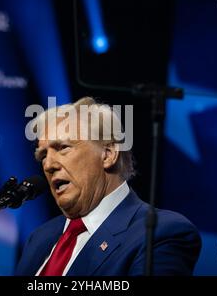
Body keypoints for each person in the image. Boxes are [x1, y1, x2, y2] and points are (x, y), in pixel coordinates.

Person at [15, 97, 201, 276]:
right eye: (43, 156)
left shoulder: (159, 233)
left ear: (108, 154)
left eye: (63, 147)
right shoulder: (39, 238)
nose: (48, 165)